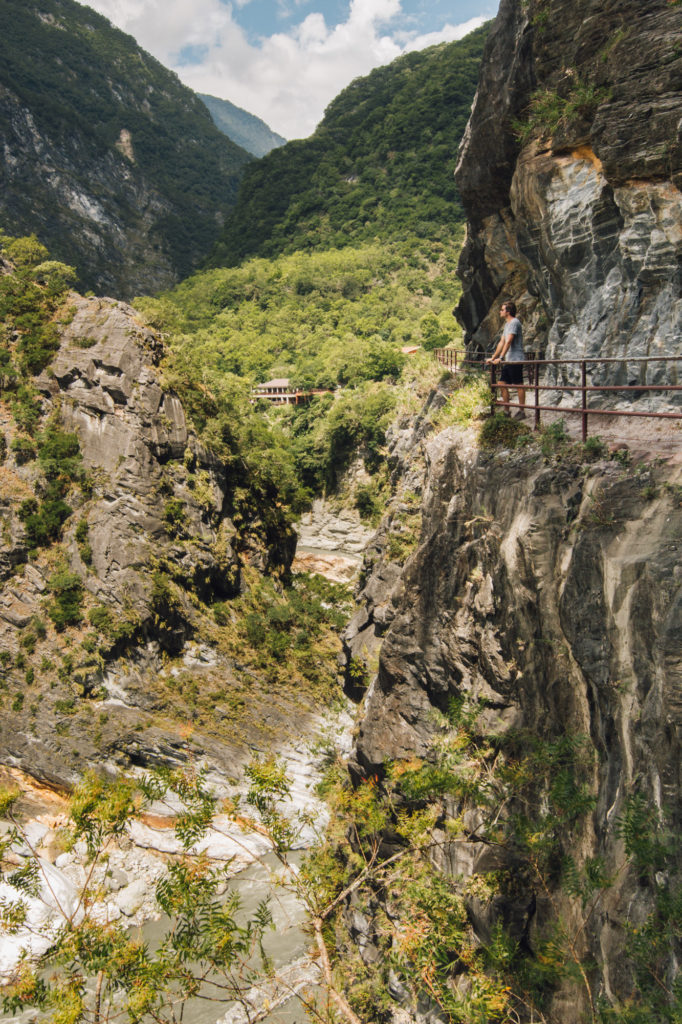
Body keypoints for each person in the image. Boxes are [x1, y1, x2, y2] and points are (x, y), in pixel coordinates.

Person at [486, 301, 526, 419]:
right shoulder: (507, 324)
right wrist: (493, 358)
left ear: (508, 312)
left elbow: (509, 341)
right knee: (501, 383)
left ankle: (522, 411)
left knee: (519, 385)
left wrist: (501, 358)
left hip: (515, 359)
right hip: (509, 359)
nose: (500, 311)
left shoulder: (514, 322)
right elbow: (502, 342)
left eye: (502, 310)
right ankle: (507, 411)